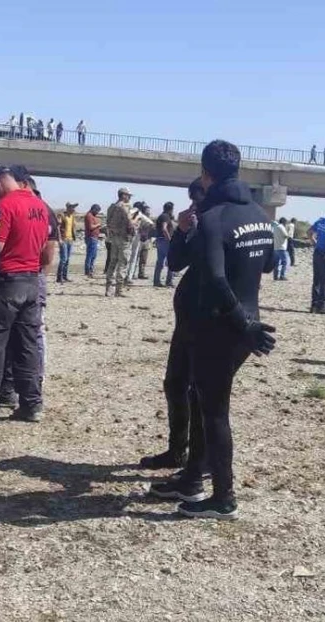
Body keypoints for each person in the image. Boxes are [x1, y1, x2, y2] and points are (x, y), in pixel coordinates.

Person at [147, 140, 276, 520]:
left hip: (221, 325)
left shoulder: (215, 218)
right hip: (240, 322)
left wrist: (245, 326)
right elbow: (266, 265)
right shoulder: (259, 215)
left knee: (215, 411)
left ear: (206, 174)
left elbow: (218, 281)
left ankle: (224, 498)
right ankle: (191, 478)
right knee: (204, 401)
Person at [0, 165, 51, 426]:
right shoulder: (40, 206)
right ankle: (31, 405)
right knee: (28, 345)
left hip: (6, 282)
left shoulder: (4, 206)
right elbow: (45, 248)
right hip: (32, 280)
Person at [139, 179, 206, 472]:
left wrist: (183, 230)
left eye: (196, 200)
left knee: (197, 390)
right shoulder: (202, 224)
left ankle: (197, 460)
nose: (192, 206)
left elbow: (177, 262)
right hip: (190, 319)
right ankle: (180, 451)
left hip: (205, 319)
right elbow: (178, 262)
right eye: (191, 201)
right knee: (177, 384)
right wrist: (183, 230)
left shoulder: (216, 224)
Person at [104, 187, 135, 297]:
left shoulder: (111, 207)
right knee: (123, 263)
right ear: (123, 195)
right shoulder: (125, 208)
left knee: (112, 263)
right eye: (128, 196)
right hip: (124, 238)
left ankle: (108, 288)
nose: (129, 198)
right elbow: (131, 224)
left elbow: (107, 223)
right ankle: (119, 290)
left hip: (114, 238)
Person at [153, 202, 175, 287]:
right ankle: (169, 281)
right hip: (165, 241)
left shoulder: (161, 216)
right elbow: (164, 228)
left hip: (159, 240)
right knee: (171, 261)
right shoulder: (166, 216)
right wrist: (169, 239)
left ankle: (156, 281)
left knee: (160, 262)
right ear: (170, 209)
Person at [132, 203, 154, 281]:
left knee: (143, 258)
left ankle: (141, 273)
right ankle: (132, 273)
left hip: (146, 240)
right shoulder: (139, 218)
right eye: (147, 210)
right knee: (135, 258)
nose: (148, 211)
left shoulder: (148, 219)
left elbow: (152, 228)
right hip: (138, 240)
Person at [57, 202, 77, 283]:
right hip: (64, 239)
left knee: (67, 259)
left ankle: (65, 276)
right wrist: (59, 239)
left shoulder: (72, 216)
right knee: (63, 259)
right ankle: (59, 277)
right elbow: (57, 227)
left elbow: (73, 227)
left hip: (70, 239)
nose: (74, 209)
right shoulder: (62, 216)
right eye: (72, 208)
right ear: (68, 208)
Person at [83, 204, 102, 278]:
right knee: (90, 255)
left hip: (94, 237)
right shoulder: (89, 216)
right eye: (97, 211)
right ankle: (88, 271)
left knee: (93, 255)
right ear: (94, 209)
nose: (97, 213)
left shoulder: (93, 216)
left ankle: (91, 270)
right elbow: (91, 227)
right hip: (91, 237)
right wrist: (98, 225)